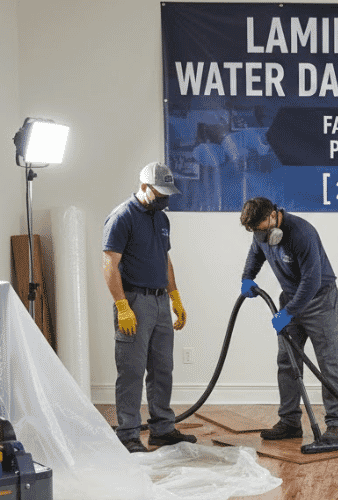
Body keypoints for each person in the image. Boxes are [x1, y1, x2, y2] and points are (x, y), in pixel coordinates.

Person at [102, 162, 196, 453]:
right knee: (131, 370)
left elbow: (164, 259)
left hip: (159, 301)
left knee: (162, 368)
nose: (165, 198)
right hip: (134, 301)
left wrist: (175, 295)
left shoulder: (160, 218)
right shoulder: (122, 217)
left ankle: (162, 429)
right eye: (160, 192)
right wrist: (122, 305)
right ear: (144, 187)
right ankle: (128, 433)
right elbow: (109, 264)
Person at [239, 197, 338, 444]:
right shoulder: (260, 232)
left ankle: (336, 425)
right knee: (287, 362)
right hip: (290, 298)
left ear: (273, 216)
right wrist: (247, 277)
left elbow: (311, 281)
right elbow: (256, 253)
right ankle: (289, 422)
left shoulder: (302, 233)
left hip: (320, 300)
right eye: (254, 231)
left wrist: (288, 313)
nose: (260, 235)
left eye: (261, 229)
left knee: (328, 363)